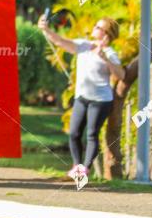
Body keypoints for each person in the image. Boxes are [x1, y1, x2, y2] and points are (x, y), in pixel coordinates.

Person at [38, 14, 125, 180]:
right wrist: (46, 29)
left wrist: (104, 58)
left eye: (99, 27)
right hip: (82, 98)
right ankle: (77, 166)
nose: (94, 28)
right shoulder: (83, 45)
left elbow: (120, 74)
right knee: (74, 133)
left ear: (107, 34)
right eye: (96, 25)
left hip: (100, 101)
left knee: (92, 134)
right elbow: (61, 41)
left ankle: (85, 169)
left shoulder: (110, 53)